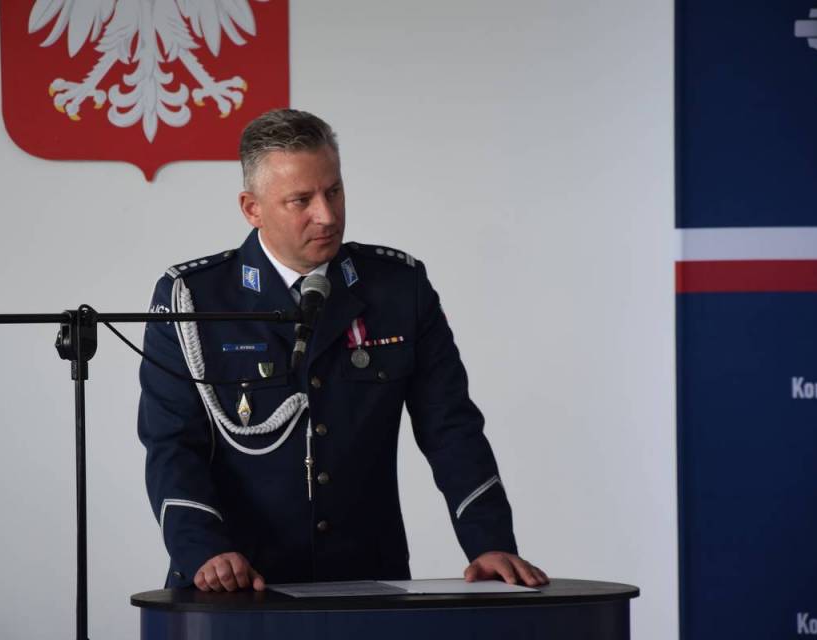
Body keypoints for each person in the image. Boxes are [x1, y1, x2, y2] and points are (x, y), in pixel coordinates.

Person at [138, 109, 548, 592]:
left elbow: (450, 426)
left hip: (366, 582)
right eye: (301, 200)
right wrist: (203, 549)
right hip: (235, 583)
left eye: (334, 192)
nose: (328, 216)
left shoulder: (399, 289)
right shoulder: (193, 299)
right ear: (252, 209)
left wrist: (489, 540)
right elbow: (172, 443)